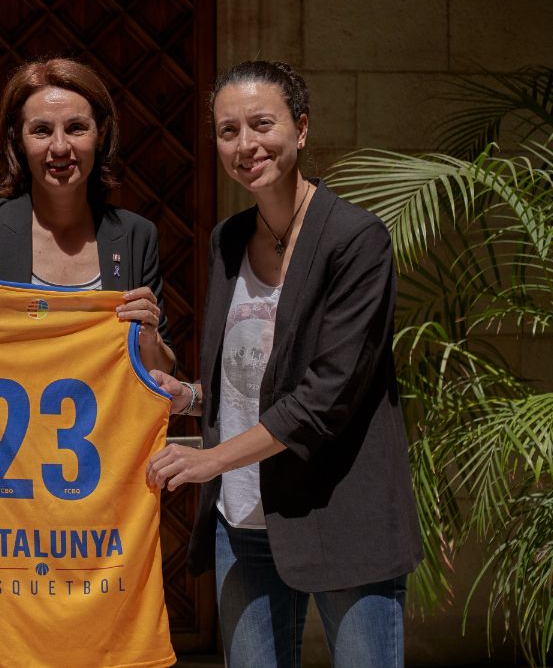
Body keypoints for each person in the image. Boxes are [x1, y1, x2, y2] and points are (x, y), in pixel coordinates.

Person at [145, 60, 423, 667]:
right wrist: (192, 398)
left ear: (300, 128)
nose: (245, 145)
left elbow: (327, 395)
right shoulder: (226, 239)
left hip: (341, 512)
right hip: (241, 520)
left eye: (262, 124)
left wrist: (210, 458)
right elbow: (250, 373)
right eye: (227, 131)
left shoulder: (356, 239)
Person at [0, 58, 176, 373]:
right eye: (41, 130)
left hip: (108, 423)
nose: (60, 146)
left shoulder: (136, 235)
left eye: (76, 128)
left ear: (102, 133)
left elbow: (162, 376)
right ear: (18, 139)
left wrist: (149, 339)